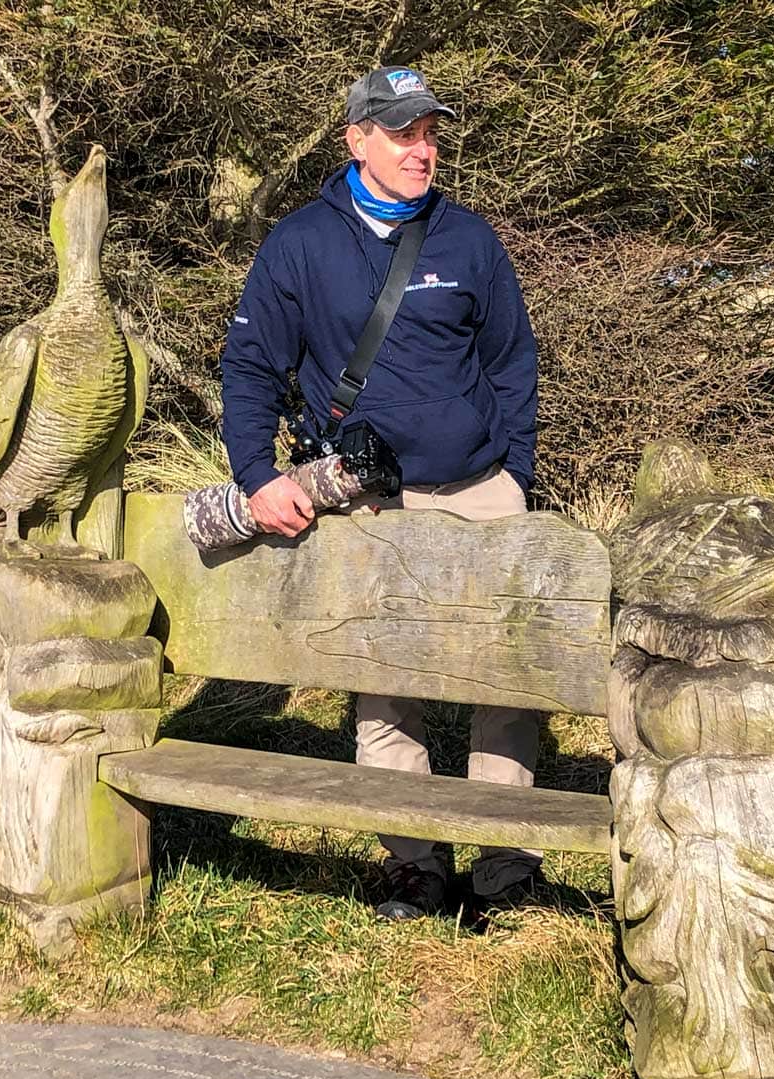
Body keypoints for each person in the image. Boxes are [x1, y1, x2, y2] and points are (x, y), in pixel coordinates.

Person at [218, 65, 542, 921]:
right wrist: (256, 476)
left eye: (430, 133)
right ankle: (413, 862)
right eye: (403, 133)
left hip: (481, 492)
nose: (421, 150)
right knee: (384, 680)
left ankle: (506, 861)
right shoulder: (299, 244)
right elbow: (251, 366)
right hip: (368, 504)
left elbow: (512, 364)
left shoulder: (471, 241)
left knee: (507, 676)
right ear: (356, 140)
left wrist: (516, 473)